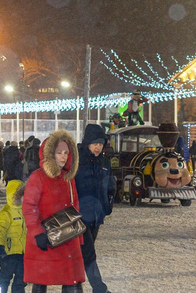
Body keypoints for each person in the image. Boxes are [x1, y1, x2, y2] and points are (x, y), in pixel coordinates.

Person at [21, 130, 86, 293]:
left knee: (72, 280)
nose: (63, 157)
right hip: (45, 238)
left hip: (68, 238)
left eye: (66, 152)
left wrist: (79, 236)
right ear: (50, 154)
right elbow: (29, 207)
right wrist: (38, 233)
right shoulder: (38, 177)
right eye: (59, 153)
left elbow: (75, 205)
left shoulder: (68, 178)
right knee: (41, 280)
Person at [74, 125, 115, 293]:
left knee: (82, 254)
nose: (98, 147)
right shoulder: (76, 161)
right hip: (79, 216)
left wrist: (107, 205)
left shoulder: (104, 162)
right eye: (94, 143)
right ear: (87, 143)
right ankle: (99, 288)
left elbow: (110, 186)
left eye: (101, 143)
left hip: (96, 216)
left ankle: (72, 286)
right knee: (89, 253)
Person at [0, 177, 28, 293]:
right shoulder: (6, 212)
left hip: (24, 254)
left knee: (21, 281)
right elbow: (0, 231)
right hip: (9, 254)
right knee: (3, 279)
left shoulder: (27, 210)